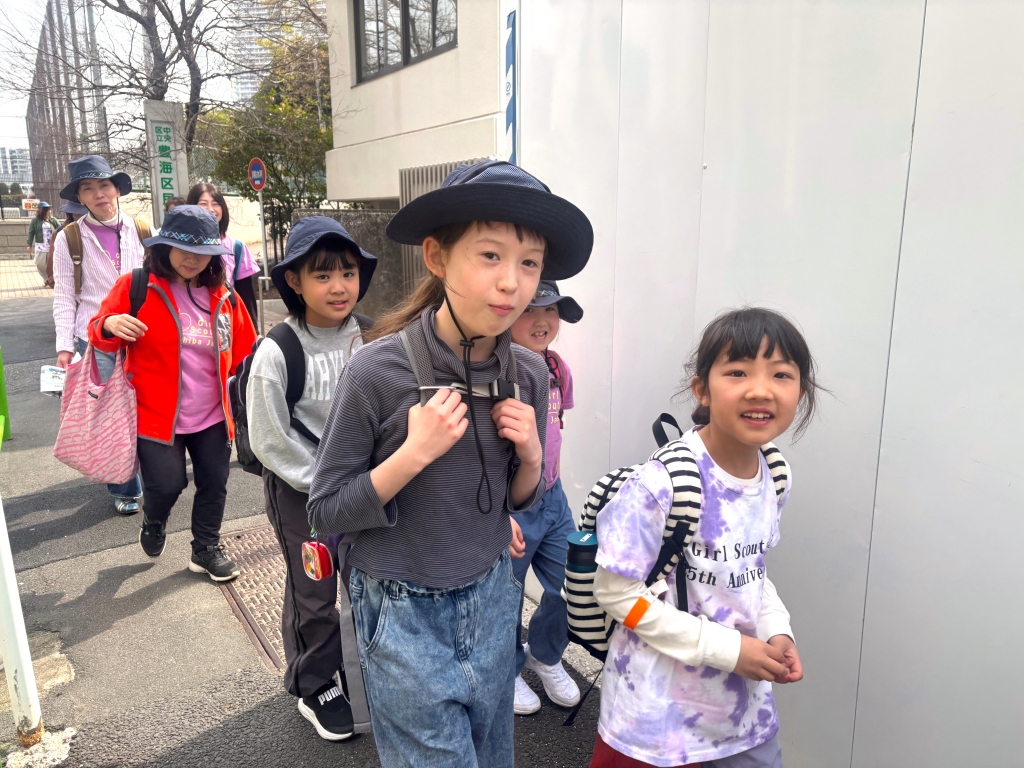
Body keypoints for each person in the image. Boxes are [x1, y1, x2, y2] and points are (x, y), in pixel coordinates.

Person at [307, 160, 593, 767]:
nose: (511, 283)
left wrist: (532, 458)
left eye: (529, 263)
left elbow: (515, 500)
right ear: (437, 257)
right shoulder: (376, 371)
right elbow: (326, 509)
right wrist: (413, 455)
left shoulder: (530, 373)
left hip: (493, 598)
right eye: (490, 256)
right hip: (401, 611)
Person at [588, 307, 820, 768]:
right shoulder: (662, 483)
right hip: (656, 721)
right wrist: (728, 650)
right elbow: (616, 594)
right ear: (702, 390)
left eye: (781, 374)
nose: (761, 390)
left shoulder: (774, 474)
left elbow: (750, 571)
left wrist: (777, 629)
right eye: (738, 372)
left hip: (741, 717)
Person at [247, 216, 378, 741]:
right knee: (315, 590)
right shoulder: (278, 350)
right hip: (301, 494)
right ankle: (316, 683)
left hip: (364, 489)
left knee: (369, 579)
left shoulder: (373, 337)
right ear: (294, 281)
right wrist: (324, 487)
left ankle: (372, 666)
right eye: (322, 275)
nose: (339, 286)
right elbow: (270, 438)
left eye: (348, 272)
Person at [87, 205, 257, 582]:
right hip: (155, 415)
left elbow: (246, 353)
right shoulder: (137, 287)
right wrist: (110, 324)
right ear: (164, 247)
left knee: (214, 483)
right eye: (184, 249)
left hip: (214, 414)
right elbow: (97, 331)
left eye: (203, 252)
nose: (193, 259)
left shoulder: (224, 297)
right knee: (166, 484)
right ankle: (154, 518)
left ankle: (205, 549)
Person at [52, 155, 147, 515]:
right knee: (111, 413)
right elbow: (64, 295)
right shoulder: (70, 238)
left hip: (143, 335)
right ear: (79, 197)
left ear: (117, 189)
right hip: (97, 338)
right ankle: (125, 486)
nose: (99, 194)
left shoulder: (142, 229)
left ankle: (152, 472)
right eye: (88, 188)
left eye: (104, 185)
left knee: (147, 405)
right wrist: (65, 345)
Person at [507, 280, 584, 715]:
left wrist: (553, 484)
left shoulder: (557, 367)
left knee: (572, 584)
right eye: (529, 310)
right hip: (510, 507)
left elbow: (556, 429)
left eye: (551, 311)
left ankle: (546, 654)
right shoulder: (496, 373)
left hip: (553, 498)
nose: (542, 321)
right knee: (507, 595)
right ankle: (508, 669)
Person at [187, 183, 260, 321]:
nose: (210, 209)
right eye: (203, 204)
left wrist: (253, 331)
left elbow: (246, 299)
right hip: (188, 319)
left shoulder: (236, 247)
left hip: (224, 321)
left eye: (215, 204)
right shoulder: (181, 246)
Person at [28, 202, 61, 286]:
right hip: (41, 246)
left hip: (52, 246)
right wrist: (29, 244)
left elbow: (61, 228)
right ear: (42, 211)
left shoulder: (53, 220)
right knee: (39, 264)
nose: (49, 210)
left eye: (49, 209)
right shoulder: (35, 220)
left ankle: (51, 280)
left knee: (52, 264)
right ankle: (47, 279)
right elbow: (31, 232)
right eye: (47, 209)